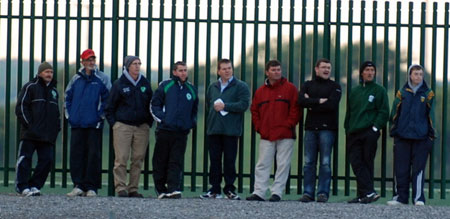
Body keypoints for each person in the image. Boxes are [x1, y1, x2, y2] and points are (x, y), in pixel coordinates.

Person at [246, 60, 300, 202]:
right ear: (267, 72)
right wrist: (259, 127)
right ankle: (259, 192)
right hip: (266, 134)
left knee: (283, 164)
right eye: (274, 70)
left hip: (286, 134)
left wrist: (288, 124)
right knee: (263, 163)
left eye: (278, 70)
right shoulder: (260, 91)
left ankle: (277, 192)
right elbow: (254, 110)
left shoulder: (290, 89)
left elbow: (296, 109)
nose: (277, 72)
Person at [200, 59, 250, 200]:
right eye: (224, 68)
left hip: (231, 130)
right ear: (218, 71)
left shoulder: (241, 86)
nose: (227, 71)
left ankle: (229, 189)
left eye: (229, 68)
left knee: (229, 161)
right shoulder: (213, 86)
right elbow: (209, 106)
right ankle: (214, 189)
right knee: (214, 161)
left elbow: (244, 105)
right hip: (214, 129)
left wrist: (225, 106)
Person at [387, 64, 436, 206]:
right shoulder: (402, 93)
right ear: (410, 75)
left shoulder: (428, 93)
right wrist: (394, 130)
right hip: (402, 137)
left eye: (421, 74)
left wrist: (431, 135)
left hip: (421, 138)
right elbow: (394, 113)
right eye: (415, 74)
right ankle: (400, 198)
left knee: (418, 169)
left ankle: (418, 198)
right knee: (401, 169)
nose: (418, 77)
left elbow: (431, 115)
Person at [105, 56, 153, 198]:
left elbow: (151, 103)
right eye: (134, 64)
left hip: (141, 127)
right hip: (123, 126)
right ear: (127, 66)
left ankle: (133, 188)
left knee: (138, 158)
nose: (137, 66)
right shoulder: (119, 84)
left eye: (139, 63)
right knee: (121, 158)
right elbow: (110, 106)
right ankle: (121, 188)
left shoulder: (144, 83)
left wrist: (148, 122)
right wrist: (115, 124)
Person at [65, 49, 110, 197]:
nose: (91, 62)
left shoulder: (101, 78)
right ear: (82, 62)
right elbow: (67, 97)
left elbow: (107, 99)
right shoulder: (76, 79)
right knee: (77, 155)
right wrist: (70, 116)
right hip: (77, 124)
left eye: (93, 59)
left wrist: (99, 116)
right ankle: (78, 185)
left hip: (93, 124)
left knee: (93, 155)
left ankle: (92, 187)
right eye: (88, 60)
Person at [151, 61, 198, 199]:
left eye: (185, 70)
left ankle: (173, 188)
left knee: (176, 160)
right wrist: (164, 119)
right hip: (165, 130)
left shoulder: (191, 89)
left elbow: (194, 111)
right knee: (161, 160)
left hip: (181, 132)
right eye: (181, 70)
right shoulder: (165, 86)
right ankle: (161, 189)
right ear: (174, 72)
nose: (184, 73)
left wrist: (190, 123)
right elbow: (155, 105)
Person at [344, 61, 389, 204]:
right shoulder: (355, 91)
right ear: (362, 73)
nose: (370, 73)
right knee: (356, 162)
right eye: (367, 70)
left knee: (366, 162)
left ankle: (364, 195)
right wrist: (347, 129)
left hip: (369, 132)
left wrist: (375, 128)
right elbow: (350, 112)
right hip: (354, 132)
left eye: (372, 70)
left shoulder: (379, 90)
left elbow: (383, 111)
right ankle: (367, 192)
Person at [298, 58, 341, 203]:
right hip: (310, 128)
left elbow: (332, 105)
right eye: (323, 67)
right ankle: (308, 192)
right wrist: (319, 101)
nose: (326, 70)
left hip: (327, 129)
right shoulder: (307, 85)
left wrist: (311, 103)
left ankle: (322, 193)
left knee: (325, 163)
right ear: (316, 69)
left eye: (328, 67)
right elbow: (301, 101)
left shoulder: (335, 86)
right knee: (309, 162)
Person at [15, 62, 61, 196]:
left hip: (47, 135)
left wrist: (55, 129)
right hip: (30, 133)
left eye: (51, 72)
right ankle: (22, 187)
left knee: (47, 160)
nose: (49, 75)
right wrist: (30, 125)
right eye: (46, 72)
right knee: (25, 159)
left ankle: (35, 185)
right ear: (40, 73)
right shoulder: (30, 87)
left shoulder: (54, 91)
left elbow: (56, 113)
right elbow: (21, 107)